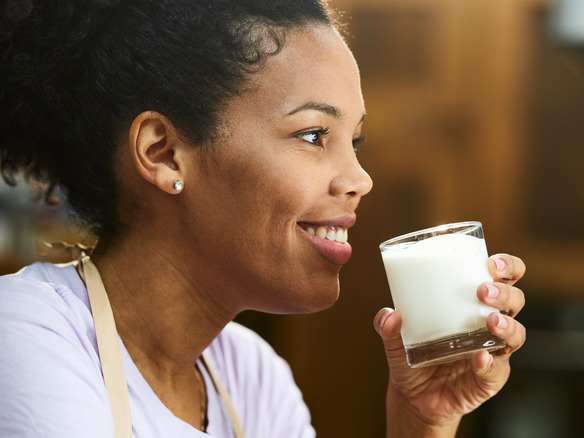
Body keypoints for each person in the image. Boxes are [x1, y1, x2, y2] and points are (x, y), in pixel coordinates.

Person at [0, 0, 528, 437]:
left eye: (356, 141)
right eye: (313, 135)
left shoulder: (254, 376)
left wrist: (421, 421)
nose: (361, 179)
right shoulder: (25, 338)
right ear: (163, 153)